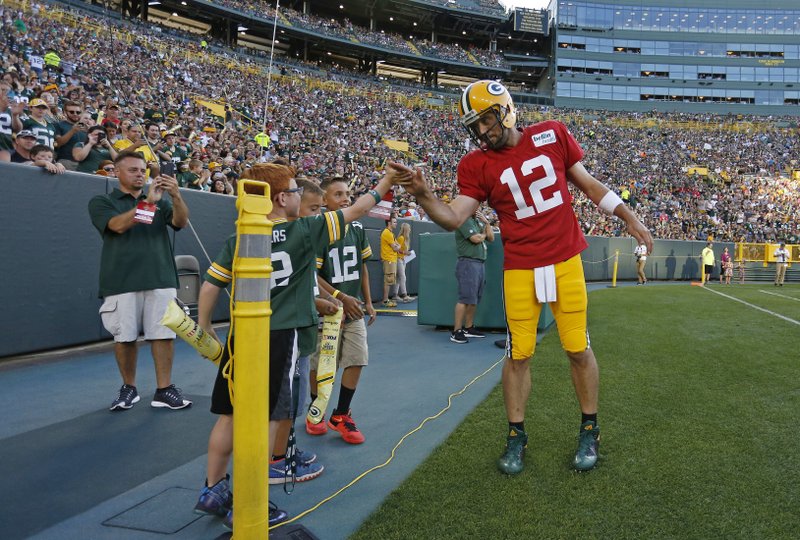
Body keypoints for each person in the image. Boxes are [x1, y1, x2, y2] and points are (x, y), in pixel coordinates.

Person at [391, 80, 652, 474]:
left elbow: (590, 185)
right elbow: (452, 217)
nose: (482, 132)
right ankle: (516, 435)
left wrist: (629, 216)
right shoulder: (475, 165)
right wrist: (424, 195)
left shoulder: (553, 133)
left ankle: (589, 428)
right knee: (518, 355)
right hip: (521, 268)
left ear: (506, 109)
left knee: (578, 349)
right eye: (474, 126)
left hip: (565, 260)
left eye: (486, 120)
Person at [193, 162, 407, 531]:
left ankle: (212, 488)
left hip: (240, 333)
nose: (299, 195)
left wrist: (204, 326)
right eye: (293, 190)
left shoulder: (240, 237)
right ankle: (248, 500)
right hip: (279, 335)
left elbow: (211, 285)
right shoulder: (304, 231)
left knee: (229, 414)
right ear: (280, 198)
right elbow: (356, 210)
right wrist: (387, 181)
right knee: (263, 418)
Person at [87, 153, 192, 411]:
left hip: (160, 277)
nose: (139, 174)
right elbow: (118, 226)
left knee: (164, 335)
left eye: (143, 170)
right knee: (125, 337)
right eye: (133, 169)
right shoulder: (102, 201)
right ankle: (129, 387)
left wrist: (176, 196)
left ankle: (164, 389)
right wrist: (147, 203)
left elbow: (181, 222)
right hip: (121, 279)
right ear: (117, 173)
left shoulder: (160, 202)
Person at [307, 176, 378, 444]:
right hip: (327, 308)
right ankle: (317, 409)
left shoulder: (357, 228)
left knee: (357, 358)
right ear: (323, 200)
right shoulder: (319, 230)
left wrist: (367, 301)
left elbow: (361, 267)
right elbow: (311, 274)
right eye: (337, 194)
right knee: (322, 364)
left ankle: (341, 414)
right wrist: (339, 296)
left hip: (353, 306)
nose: (345, 198)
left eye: (347, 193)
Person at [450, 210, 494, 344]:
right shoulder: (464, 220)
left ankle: (469, 328)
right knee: (464, 297)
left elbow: (491, 238)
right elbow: (476, 239)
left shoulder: (478, 221)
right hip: (468, 263)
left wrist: (486, 223)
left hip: (479, 263)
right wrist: (484, 233)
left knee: (473, 297)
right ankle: (456, 331)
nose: (478, 208)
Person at [391, 222, 415, 303]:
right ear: (406, 229)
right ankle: (405, 295)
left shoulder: (406, 238)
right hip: (398, 259)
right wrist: (406, 252)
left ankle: (395, 295)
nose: (410, 230)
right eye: (409, 228)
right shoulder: (401, 238)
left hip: (403, 259)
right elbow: (397, 249)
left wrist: (406, 253)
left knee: (398, 278)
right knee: (403, 277)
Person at [380, 216, 401, 307]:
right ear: (389, 223)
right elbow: (396, 247)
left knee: (389, 280)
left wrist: (398, 246)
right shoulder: (387, 233)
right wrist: (397, 247)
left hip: (391, 259)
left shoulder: (391, 233)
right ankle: (385, 301)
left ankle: (386, 300)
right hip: (389, 259)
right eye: (394, 222)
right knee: (388, 281)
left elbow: (398, 245)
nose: (396, 224)